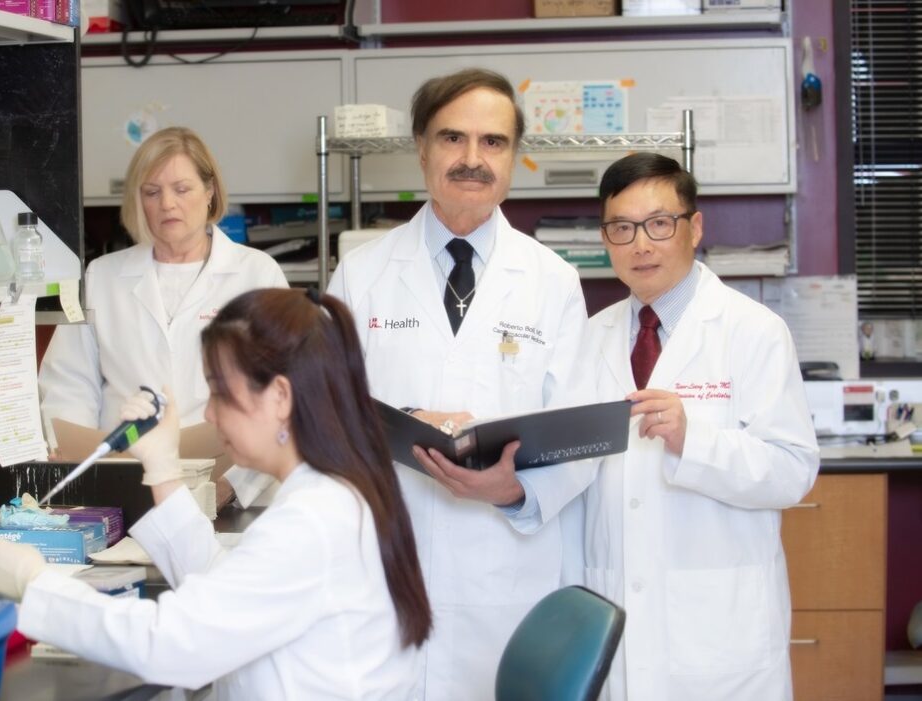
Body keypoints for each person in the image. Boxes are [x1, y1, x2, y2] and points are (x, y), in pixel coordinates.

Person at [0, 288, 433, 698]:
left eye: (219, 393)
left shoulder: (313, 521)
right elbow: (223, 588)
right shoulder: (337, 492)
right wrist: (162, 468)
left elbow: (171, 643)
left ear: (279, 396)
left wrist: (37, 585)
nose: (210, 415)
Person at [328, 68, 593, 700]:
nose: (473, 160)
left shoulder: (553, 281)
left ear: (514, 157)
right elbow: (323, 411)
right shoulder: (362, 272)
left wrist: (514, 490)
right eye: (453, 138)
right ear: (421, 148)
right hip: (388, 567)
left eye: (493, 142)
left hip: (503, 576)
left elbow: (581, 436)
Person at [581, 152, 820, 700]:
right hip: (612, 620)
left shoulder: (753, 331)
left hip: (718, 633)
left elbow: (792, 471)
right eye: (622, 228)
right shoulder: (588, 338)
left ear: (695, 227)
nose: (641, 244)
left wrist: (696, 441)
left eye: (659, 224)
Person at [39, 126, 286, 508]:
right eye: (152, 192)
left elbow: (285, 397)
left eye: (182, 189)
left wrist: (231, 487)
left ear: (210, 192)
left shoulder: (257, 274)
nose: (167, 203)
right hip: (122, 489)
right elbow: (68, 386)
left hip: (231, 490)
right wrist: (86, 474)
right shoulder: (102, 276)